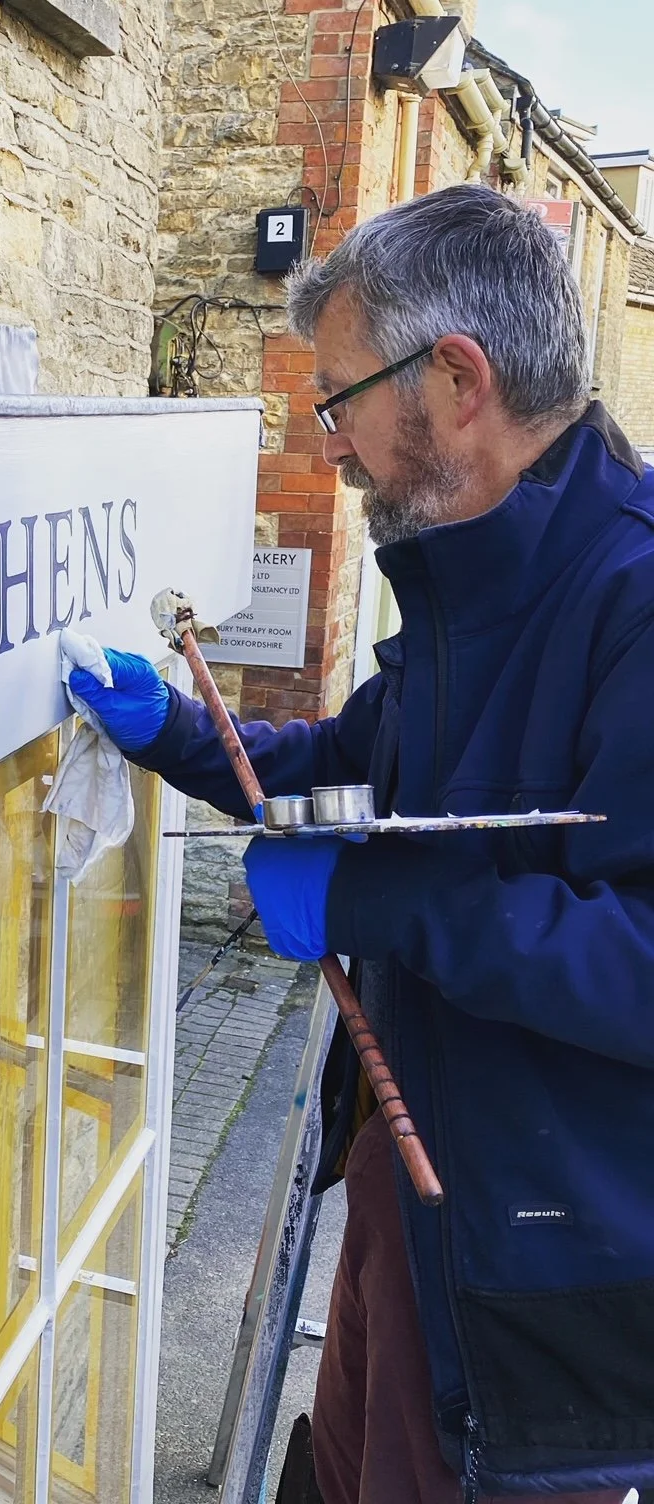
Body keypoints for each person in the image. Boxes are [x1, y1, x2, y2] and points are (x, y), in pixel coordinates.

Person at [74, 184, 654, 1503]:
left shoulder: (634, 598)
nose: (325, 438)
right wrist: (171, 728)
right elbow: (342, 766)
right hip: (411, 1191)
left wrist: (389, 903)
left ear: (455, 379)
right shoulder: (476, 574)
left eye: (341, 397)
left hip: (550, 1262)